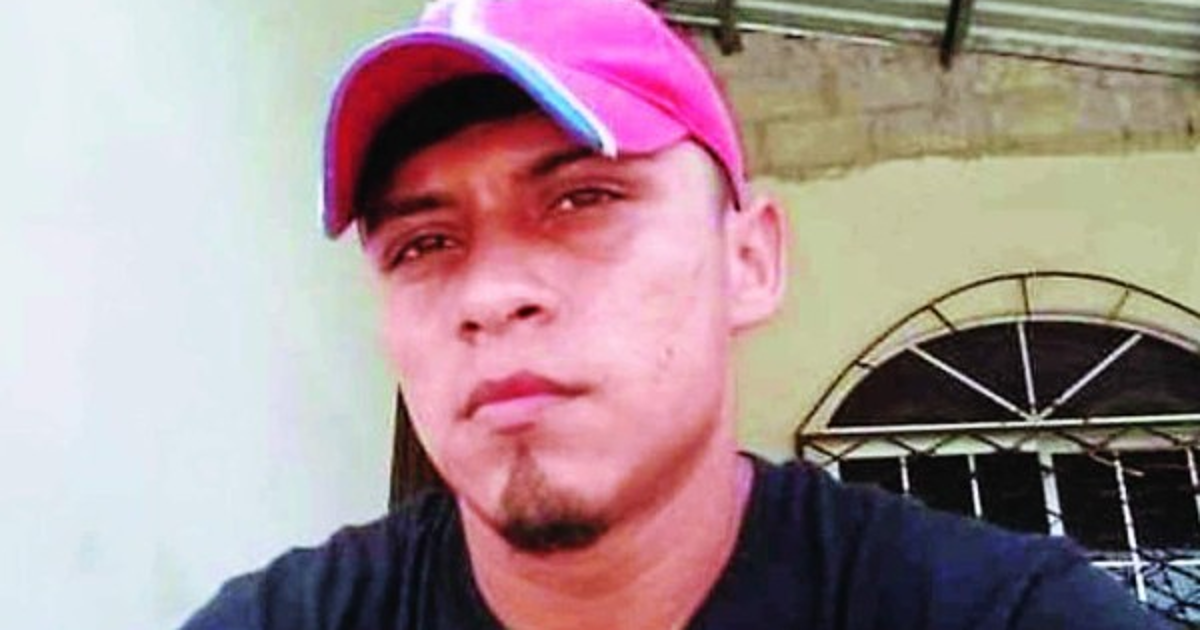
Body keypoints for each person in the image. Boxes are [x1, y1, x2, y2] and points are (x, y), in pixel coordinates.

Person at [183, 0, 1165, 628]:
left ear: (749, 261)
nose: (489, 295)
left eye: (582, 199)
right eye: (423, 244)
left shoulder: (1001, 614)